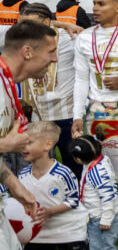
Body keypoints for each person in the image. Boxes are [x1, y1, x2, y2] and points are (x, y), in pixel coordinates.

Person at [70, 0, 118, 250]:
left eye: (101, 4)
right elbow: (81, 79)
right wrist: (77, 115)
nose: (95, 8)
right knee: (92, 175)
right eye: (94, 3)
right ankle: (91, 229)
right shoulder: (84, 37)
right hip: (95, 112)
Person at [0, 19, 56, 248]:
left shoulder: (7, 83)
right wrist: (5, 146)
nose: (55, 59)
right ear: (27, 52)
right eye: (51, 51)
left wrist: (15, 186)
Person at [15, 2, 80, 176]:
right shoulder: (20, 41)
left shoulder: (69, 39)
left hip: (65, 114)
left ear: (45, 22)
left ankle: (76, 193)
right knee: (40, 168)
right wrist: (62, 22)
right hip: (37, 116)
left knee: (73, 165)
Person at [18, 121, 87, 250]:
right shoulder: (22, 175)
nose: (23, 147)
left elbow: (74, 200)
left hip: (68, 233)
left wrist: (49, 211)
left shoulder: (63, 173)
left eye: (29, 143)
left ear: (48, 145)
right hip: (37, 235)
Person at [71, 135, 118, 250]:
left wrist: (106, 219)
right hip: (97, 213)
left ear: (78, 159)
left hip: (102, 216)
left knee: (104, 246)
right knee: (96, 243)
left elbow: (108, 196)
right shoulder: (99, 159)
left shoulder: (97, 173)